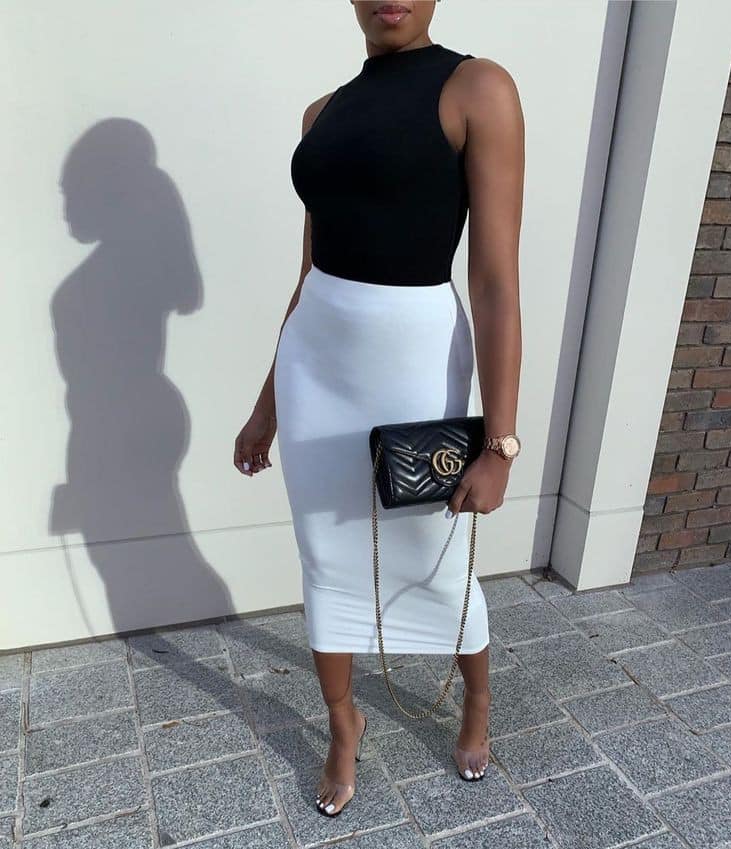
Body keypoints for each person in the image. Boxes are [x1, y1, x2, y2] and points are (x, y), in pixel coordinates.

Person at [233, 0, 524, 818]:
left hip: (413, 356)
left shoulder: (476, 88)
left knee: (435, 550)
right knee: (324, 552)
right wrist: (267, 404)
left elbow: (495, 281)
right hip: (315, 362)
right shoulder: (320, 114)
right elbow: (308, 273)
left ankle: (475, 703)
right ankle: (342, 724)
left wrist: (499, 443)